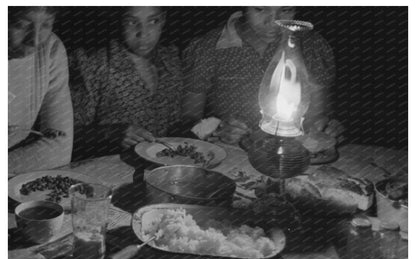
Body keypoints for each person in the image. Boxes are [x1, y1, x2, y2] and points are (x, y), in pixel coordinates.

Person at [183, 6, 344, 145]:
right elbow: (189, 117)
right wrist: (215, 128)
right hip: (231, 152)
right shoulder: (208, 46)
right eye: (260, 9)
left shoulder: (310, 45)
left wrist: (325, 127)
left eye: (286, 10)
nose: (273, 21)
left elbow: (320, 112)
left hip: (293, 151)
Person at [69, 6, 182, 161]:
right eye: (131, 22)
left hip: (164, 171)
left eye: (153, 21)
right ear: (119, 20)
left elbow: (175, 126)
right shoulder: (93, 64)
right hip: (108, 173)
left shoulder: (171, 60)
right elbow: (62, 135)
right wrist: (110, 133)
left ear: (163, 20)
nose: (143, 33)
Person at [8, 6, 74, 175]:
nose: (35, 40)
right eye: (20, 25)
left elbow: (60, 147)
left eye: (46, 25)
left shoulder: (50, 50)